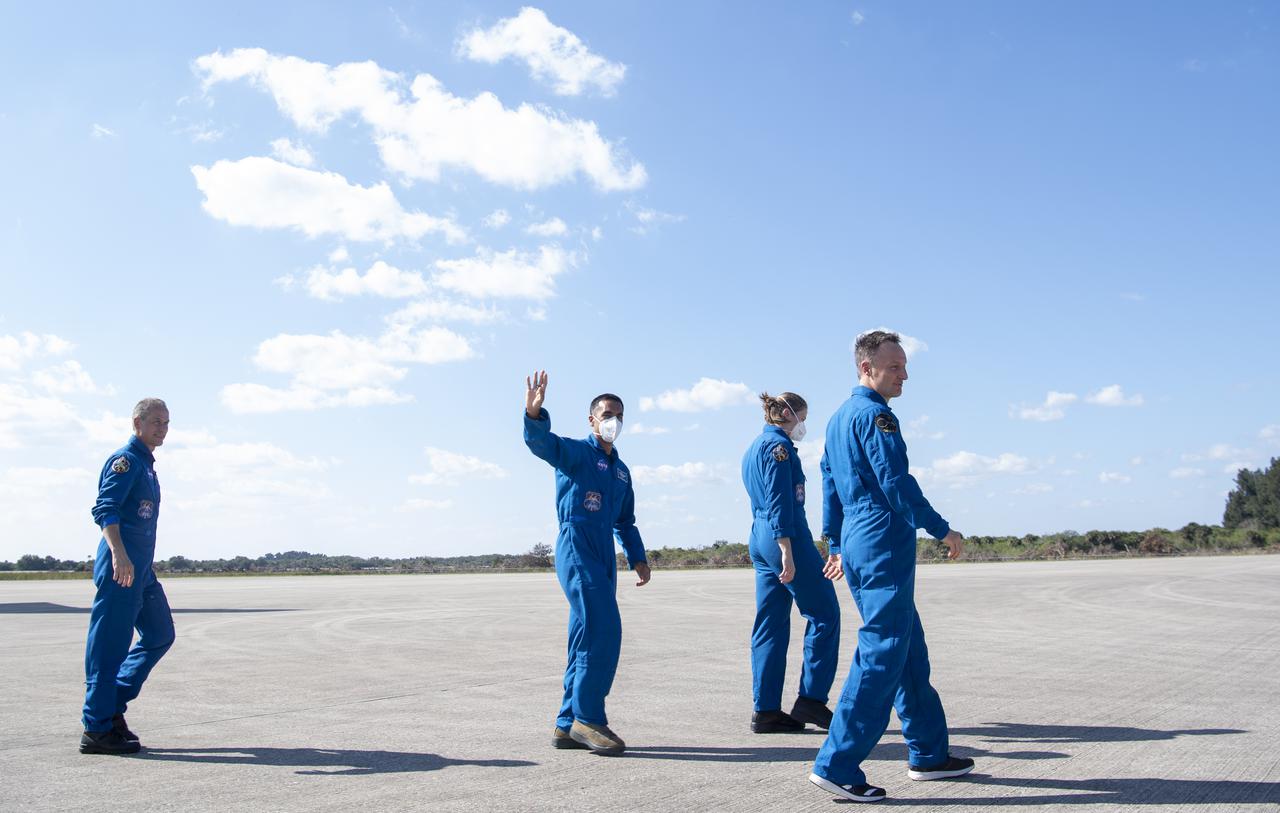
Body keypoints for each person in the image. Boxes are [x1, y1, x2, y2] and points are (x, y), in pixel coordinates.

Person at [808, 332, 974, 803]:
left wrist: (836, 542)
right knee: (882, 651)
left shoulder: (839, 419)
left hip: (859, 541)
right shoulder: (876, 416)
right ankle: (836, 764)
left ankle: (928, 753)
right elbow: (896, 483)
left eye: (903, 365)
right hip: (881, 538)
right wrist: (942, 529)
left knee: (907, 648)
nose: (904, 374)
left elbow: (829, 483)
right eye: (895, 366)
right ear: (867, 368)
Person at [523, 371, 651, 756]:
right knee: (604, 629)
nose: (613, 420)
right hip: (577, 545)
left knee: (584, 635)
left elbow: (625, 521)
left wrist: (638, 557)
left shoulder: (622, 471)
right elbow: (543, 444)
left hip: (604, 554)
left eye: (619, 415)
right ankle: (588, 718)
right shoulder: (578, 453)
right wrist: (534, 413)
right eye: (606, 413)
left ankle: (566, 724)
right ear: (592, 419)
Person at [741, 392, 841, 734]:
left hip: (759, 534)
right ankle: (811, 700)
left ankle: (766, 709)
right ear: (786, 413)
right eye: (802, 416)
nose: (803, 424)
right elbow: (779, 497)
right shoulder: (778, 448)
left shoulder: (753, 447)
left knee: (770, 623)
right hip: (786, 534)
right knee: (825, 614)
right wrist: (786, 546)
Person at [80, 398, 176, 755]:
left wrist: (142, 563)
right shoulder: (126, 461)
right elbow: (105, 508)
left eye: (166, 422)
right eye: (155, 421)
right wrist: (120, 555)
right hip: (121, 569)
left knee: (160, 634)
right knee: (110, 647)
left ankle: (111, 706)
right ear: (137, 423)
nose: (161, 428)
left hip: (141, 572)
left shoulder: (148, 466)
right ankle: (97, 728)